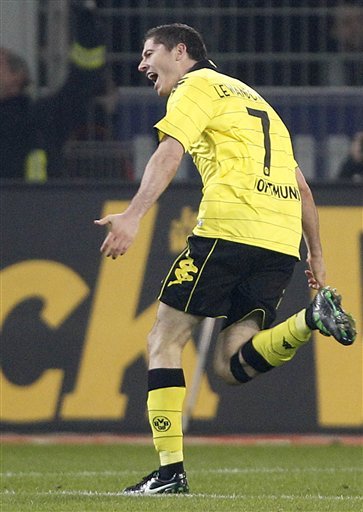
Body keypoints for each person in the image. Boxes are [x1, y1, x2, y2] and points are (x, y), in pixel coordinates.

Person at [95, 23, 356, 495]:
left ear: (181, 52)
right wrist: (316, 257)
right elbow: (301, 186)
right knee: (229, 364)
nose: (142, 65)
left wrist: (133, 216)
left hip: (229, 228)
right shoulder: (256, 101)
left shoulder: (194, 86)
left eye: (149, 53)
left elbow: (169, 152)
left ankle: (170, 473)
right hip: (278, 240)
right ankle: (310, 321)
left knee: (164, 339)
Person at [0, 0, 105, 182]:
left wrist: (87, 32)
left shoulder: (39, 118)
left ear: (17, 77)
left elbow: (81, 84)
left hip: (35, 207)